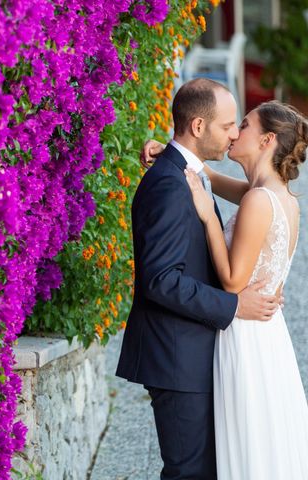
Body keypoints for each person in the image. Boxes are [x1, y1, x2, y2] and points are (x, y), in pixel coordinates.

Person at [116, 78, 282, 480]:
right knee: (189, 473)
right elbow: (160, 280)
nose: (233, 134)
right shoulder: (170, 185)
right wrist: (234, 305)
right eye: (227, 126)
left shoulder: (188, 173)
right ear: (197, 127)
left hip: (193, 353)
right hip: (176, 357)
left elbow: (257, 196)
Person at [180, 100, 308, 479]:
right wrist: (177, 154)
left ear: (267, 140)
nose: (235, 132)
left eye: (245, 124)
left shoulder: (257, 199)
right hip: (269, 336)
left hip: (246, 335)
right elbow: (214, 180)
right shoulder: (277, 194)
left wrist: (207, 217)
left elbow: (234, 281)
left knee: (247, 441)